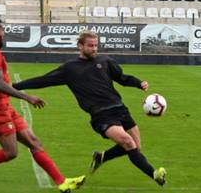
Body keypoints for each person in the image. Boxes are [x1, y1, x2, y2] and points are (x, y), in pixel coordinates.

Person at [13, 30, 167, 186]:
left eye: (96, 45)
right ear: (80, 46)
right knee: (128, 142)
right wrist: (14, 87)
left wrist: (139, 83)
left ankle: (101, 157)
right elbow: (43, 80)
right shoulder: (70, 69)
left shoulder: (105, 61)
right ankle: (154, 174)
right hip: (101, 115)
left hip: (120, 109)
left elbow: (122, 78)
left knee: (136, 146)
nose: (94, 49)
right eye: (90, 46)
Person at [0, 17, 85, 193]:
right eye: (2, 30)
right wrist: (27, 97)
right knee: (10, 152)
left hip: (3, 106)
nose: (3, 33)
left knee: (34, 142)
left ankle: (62, 182)